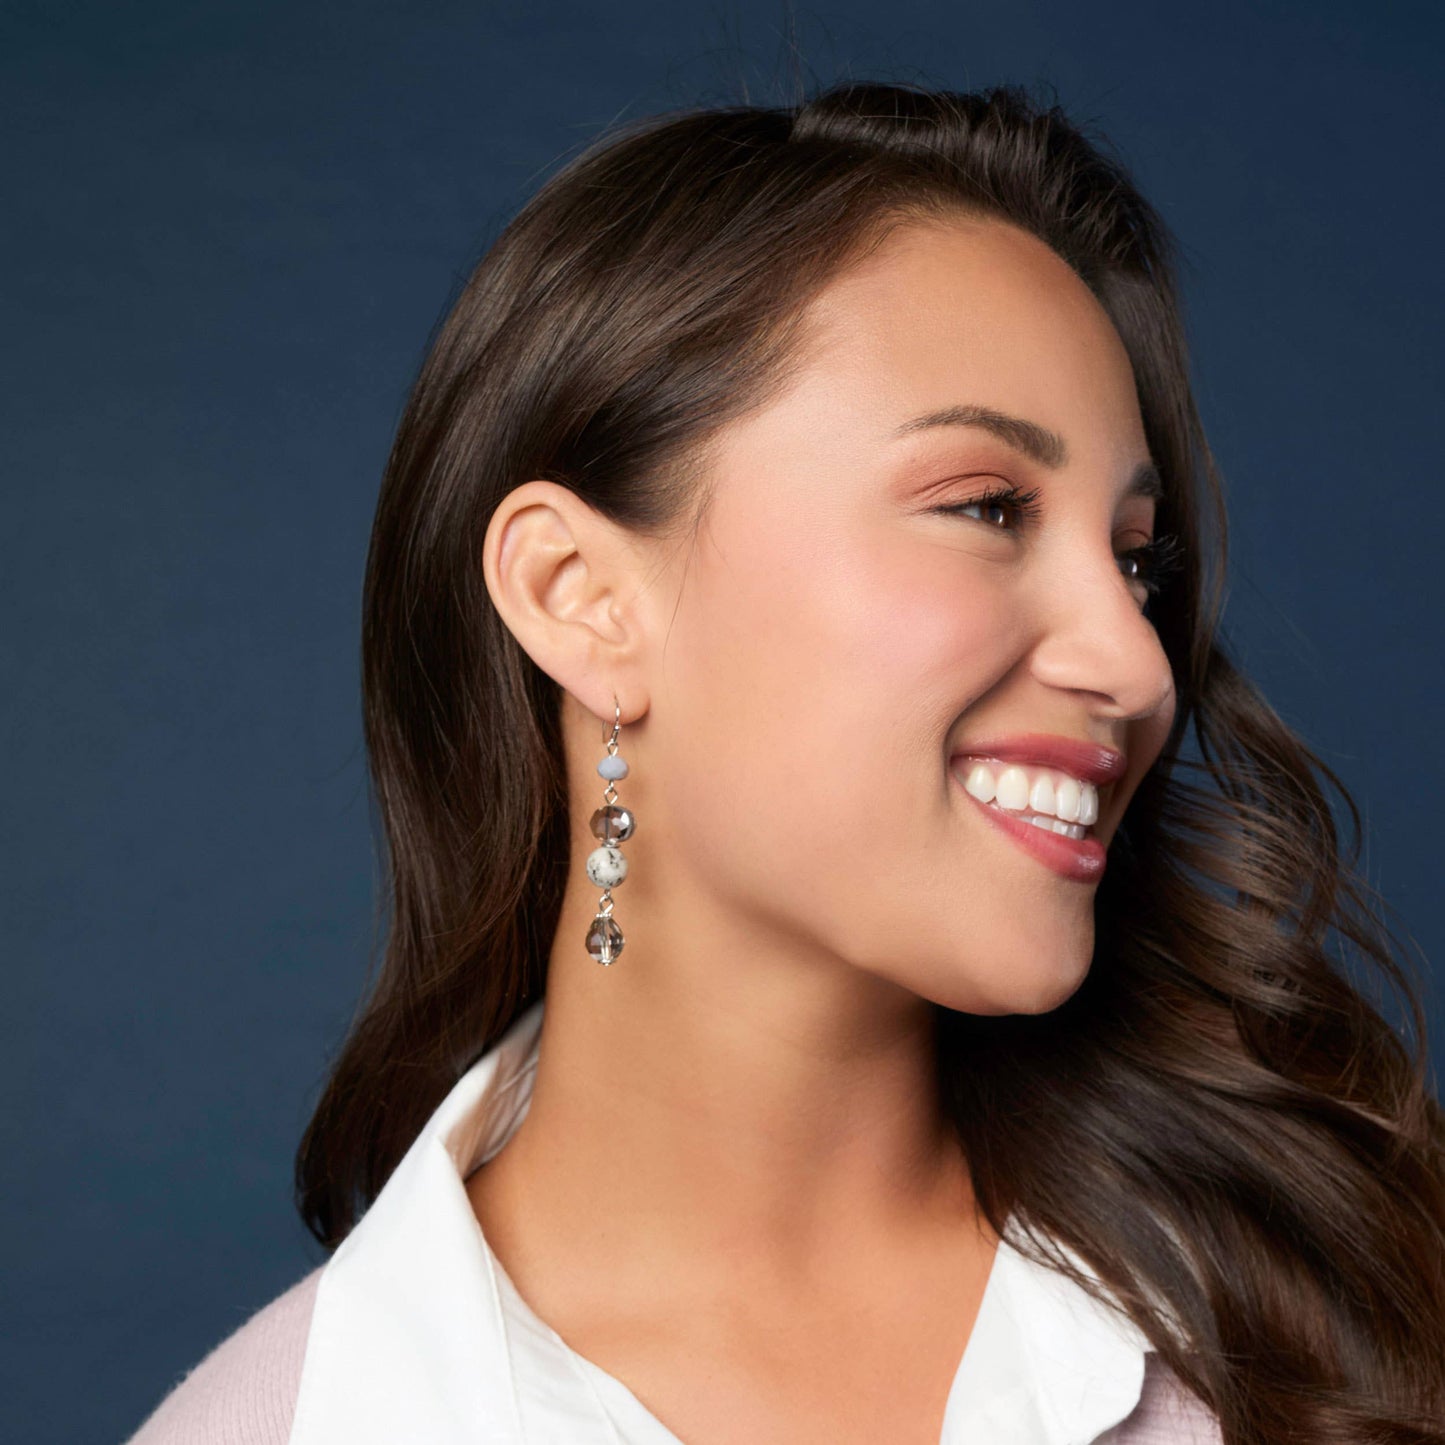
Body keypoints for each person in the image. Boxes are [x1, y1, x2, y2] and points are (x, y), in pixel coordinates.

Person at [126, 80, 1445, 1444]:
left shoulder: (1337, 1326)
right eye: (986, 506)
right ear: (582, 596)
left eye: (1134, 560)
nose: (1137, 662)